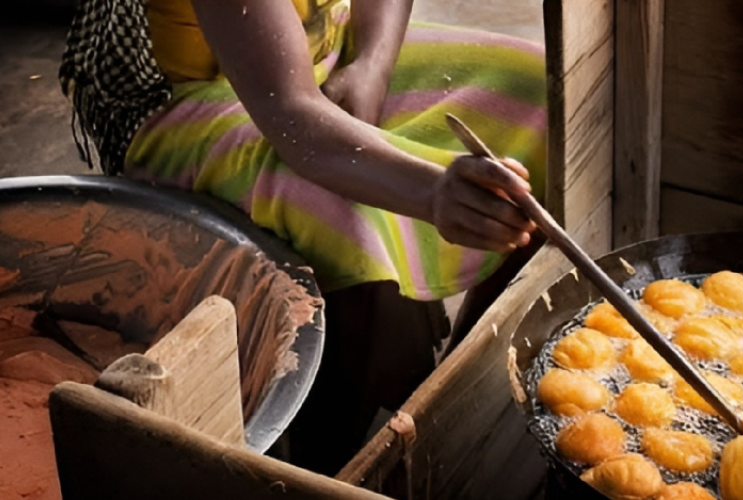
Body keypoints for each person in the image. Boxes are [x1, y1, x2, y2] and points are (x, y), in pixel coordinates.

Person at [59, 0, 546, 474]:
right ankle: (334, 466)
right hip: (202, 102)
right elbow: (292, 113)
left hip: (322, 54)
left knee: (537, 90)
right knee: (344, 219)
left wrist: (371, 64)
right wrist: (435, 193)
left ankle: (471, 381)